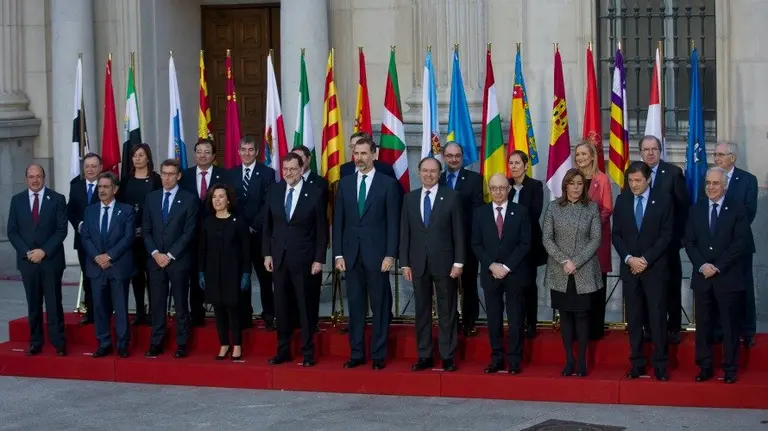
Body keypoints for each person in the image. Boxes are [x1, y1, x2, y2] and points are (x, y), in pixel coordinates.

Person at [333, 136, 400, 370]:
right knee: (356, 306)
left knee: (380, 306)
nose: (359, 158)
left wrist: (390, 254)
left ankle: (379, 354)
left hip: (378, 255)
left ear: (374, 155)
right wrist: (338, 254)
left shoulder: (388, 184)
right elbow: (338, 221)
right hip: (351, 256)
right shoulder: (345, 183)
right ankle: (357, 352)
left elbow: (394, 223)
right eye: (356, 153)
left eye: (364, 153)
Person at [684, 167, 750, 384]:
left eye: (716, 184)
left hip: (728, 278)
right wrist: (702, 265)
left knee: (729, 325)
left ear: (725, 186)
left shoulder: (737, 210)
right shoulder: (696, 209)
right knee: (703, 325)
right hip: (703, 278)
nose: (711, 187)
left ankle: (730, 367)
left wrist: (718, 266)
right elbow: (690, 242)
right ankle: (705, 366)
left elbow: (740, 243)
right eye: (708, 183)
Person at [400, 157, 465, 372]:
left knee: (447, 311)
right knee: (422, 311)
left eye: (433, 171)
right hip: (418, 263)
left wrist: (458, 262)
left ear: (440, 174)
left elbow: (459, 233)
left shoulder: (452, 197)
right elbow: (405, 233)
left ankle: (447, 355)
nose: (429, 175)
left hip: (445, 263)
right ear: (419, 173)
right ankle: (424, 355)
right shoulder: (409, 198)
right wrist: (405, 263)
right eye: (425, 171)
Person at [263, 153, 327, 367]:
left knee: (305, 307)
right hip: (279, 259)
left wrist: (319, 259)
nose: (288, 173)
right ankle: (283, 351)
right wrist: (267, 254)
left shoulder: (315, 193)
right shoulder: (275, 190)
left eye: (292, 169)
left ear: (301, 170)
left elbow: (321, 230)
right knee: (281, 307)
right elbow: (268, 226)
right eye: (285, 169)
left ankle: (308, 352)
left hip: (305, 260)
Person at [613, 161, 673, 381]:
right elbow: (616, 235)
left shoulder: (664, 201)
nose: (634, 185)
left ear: (648, 179)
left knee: (657, 318)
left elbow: (666, 235)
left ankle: (660, 364)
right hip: (631, 270)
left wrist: (645, 259)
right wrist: (629, 259)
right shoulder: (623, 200)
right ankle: (637, 363)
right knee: (635, 318)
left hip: (654, 269)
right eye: (630, 181)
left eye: (638, 180)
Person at [542, 168, 602, 377]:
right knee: (565, 315)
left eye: (579, 183)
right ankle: (570, 360)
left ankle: (583, 361)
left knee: (582, 316)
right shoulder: (553, 208)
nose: (576, 187)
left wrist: (575, 262)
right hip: (560, 270)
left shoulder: (592, 208)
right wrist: (563, 260)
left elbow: (596, 239)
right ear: (565, 185)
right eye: (572, 183)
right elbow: (547, 238)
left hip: (583, 270)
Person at [627, 136, 688, 344]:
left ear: (660, 151)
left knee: (670, 287)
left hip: (667, 246)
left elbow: (682, 210)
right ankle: (647, 328)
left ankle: (673, 327)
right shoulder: (635, 174)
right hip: (641, 248)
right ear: (641, 152)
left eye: (654, 149)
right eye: (646, 149)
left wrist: (675, 242)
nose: (650, 153)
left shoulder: (673, 173)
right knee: (643, 291)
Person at [472, 173, 531, 374]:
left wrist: (506, 267)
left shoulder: (521, 211)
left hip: (514, 274)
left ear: (508, 189)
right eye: (494, 188)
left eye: (502, 188)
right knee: (494, 320)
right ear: (490, 190)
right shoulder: (480, 213)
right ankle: (496, 358)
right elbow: (476, 244)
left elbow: (525, 243)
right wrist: (491, 265)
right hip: (490, 275)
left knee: (515, 320)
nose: (498, 192)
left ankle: (514, 360)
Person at [6, 165, 68, 356]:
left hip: (50, 260)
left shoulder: (57, 199)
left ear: (44, 177)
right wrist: (28, 252)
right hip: (28, 261)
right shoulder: (17, 201)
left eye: (38, 176)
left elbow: (61, 230)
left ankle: (58, 342)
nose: (35, 180)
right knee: (33, 304)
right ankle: (35, 342)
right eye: (31, 177)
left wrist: (44, 251)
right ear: (26, 179)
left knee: (53, 303)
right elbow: (12, 231)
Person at [142, 158, 199, 358]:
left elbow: (189, 232)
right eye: (164, 173)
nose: (167, 178)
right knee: (157, 303)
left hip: (178, 260)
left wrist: (171, 254)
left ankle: (182, 343)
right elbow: (146, 231)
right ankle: (156, 342)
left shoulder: (190, 199)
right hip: (156, 260)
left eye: (171, 174)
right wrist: (156, 254)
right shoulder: (152, 198)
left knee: (181, 304)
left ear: (178, 176)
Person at [79, 172, 135, 358]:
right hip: (96, 267)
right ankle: (103, 342)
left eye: (105, 187)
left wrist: (109, 256)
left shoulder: (126, 211)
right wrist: (97, 257)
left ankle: (122, 344)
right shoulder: (90, 210)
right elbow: (85, 237)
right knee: (100, 308)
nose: (101, 190)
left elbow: (128, 238)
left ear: (115, 189)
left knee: (120, 307)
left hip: (117, 266)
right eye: (99, 187)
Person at [198, 184, 251, 361]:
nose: (217, 200)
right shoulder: (207, 222)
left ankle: (236, 344)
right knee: (218, 309)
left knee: (233, 309)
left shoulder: (238, 221)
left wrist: (246, 273)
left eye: (221, 196)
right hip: (213, 272)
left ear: (228, 200)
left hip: (233, 272)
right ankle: (224, 344)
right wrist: (201, 272)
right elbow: (202, 250)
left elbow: (246, 250)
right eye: (214, 197)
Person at [713, 141, 758, 348]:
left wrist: (727, 234)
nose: (717, 158)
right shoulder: (711, 179)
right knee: (718, 289)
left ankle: (747, 330)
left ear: (733, 157)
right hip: (714, 246)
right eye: (715, 154)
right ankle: (719, 329)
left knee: (744, 288)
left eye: (721, 154)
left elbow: (749, 213)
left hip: (740, 245)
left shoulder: (748, 180)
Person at [180, 138, 228, 327]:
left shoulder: (223, 175)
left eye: (207, 152)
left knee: (218, 272)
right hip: (190, 234)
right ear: (194, 154)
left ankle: (221, 314)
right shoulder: (185, 176)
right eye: (199, 151)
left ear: (214, 156)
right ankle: (197, 314)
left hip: (216, 232)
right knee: (194, 273)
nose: (202, 155)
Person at [230, 135, 276, 331]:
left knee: (265, 279)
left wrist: (254, 226)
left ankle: (269, 316)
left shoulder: (268, 173)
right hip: (237, 235)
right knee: (242, 277)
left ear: (257, 152)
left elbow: (268, 204)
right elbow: (228, 202)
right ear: (239, 152)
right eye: (243, 150)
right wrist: (240, 227)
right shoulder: (230, 174)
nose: (247, 153)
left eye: (251, 150)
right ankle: (244, 317)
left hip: (259, 235)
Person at [440, 142, 483, 337]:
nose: (453, 159)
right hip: (442, 243)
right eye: (449, 155)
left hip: (467, 241)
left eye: (457, 155)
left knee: (469, 283)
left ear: (462, 156)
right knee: (446, 285)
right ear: (443, 156)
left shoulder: (474, 179)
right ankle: (450, 320)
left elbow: (478, 211)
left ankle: (469, 321)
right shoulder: (437, 179)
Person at [117, 143, 162, 326]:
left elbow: (159, 205)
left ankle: (153, 310)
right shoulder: (126, 180)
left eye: (141, 155)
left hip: (150, 235)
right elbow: (120, 205)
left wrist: (145, 228)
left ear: (148, 158)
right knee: (136, 275)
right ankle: (140, 312)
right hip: (130, 236)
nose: (137, 158)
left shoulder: (156, 179)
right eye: (135, 155)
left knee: (151, 274)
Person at [573, 141, 613, 340]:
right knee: (577, 286)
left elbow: (607, 209)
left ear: (592, 157)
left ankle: (595, 330)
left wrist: (591, 227)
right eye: (577, 154)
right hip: (573, 242)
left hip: (597, 241)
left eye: (584, 154)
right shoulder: (572, 179)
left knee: (596, 285)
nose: (580, 158)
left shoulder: (602, 179)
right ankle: (577, 330)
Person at [507, 150, 545, 338]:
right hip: (508, 245)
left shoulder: (535, 186)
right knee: (513, 286)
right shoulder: (506, 186)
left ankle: (531, 323)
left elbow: (534, 213)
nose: (514, 166)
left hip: (529, 243)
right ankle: (516, 322)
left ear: (525, 165)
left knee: (529, 284)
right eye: (511, 163)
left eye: (517, 163)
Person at [292, 145, 329, 332]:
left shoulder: (320, 183)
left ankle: (311, 322)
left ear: (308, 160)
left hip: (312, 244)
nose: (297, 163)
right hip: (291, 246)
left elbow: (322, 219)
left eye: (300, 159)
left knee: (311, 289)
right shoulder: (285, 183)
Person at [66, 153, 102, 325]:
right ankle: (90, 312)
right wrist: (79, 224)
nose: (90, 169)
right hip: (82, 241)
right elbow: (70, 210)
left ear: (100, 168)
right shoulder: (76, 186)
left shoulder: (105, 185)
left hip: (102, 241)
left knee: (102, 278)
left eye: (94, 166)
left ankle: (105, 311)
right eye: (87, 166)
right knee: (87, 277)